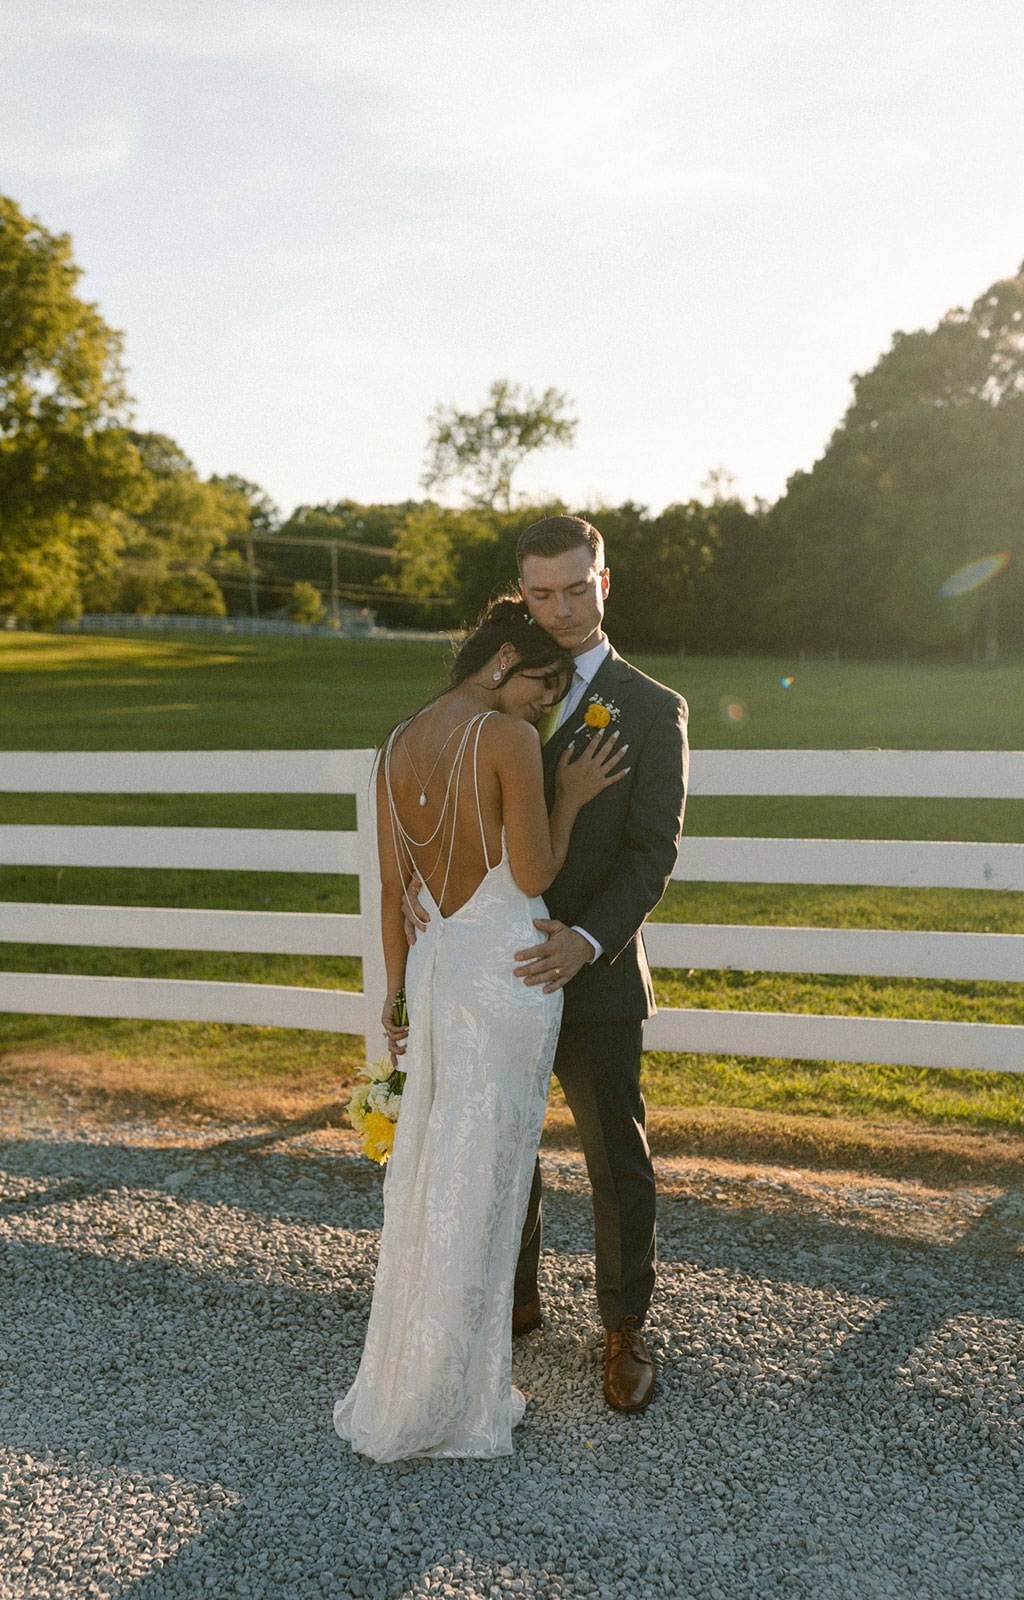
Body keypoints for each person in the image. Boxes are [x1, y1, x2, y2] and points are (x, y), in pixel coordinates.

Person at [333, 597, 628, 1462]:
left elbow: (394, 891)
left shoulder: (396, 743)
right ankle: (461, 1393)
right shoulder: (505, 742)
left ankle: (420, 1376)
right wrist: (569, 795)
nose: (546, 702)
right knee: (487, 1174)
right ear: (504, 659)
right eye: (543, 684)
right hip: (507, 971)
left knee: (434, 1169)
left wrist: (395, 999)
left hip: (435, 972)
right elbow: (533, 869)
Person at [406, 517, 688, 1413]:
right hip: (496, 965)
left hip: (595, 970)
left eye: (575, 589)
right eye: (540, 594)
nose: (559, 610)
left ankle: (623, 1330)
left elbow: (652, 852)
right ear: (519, 593)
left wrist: (589, 939)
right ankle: (513, 1300)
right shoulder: (498, 688)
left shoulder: (651, 707)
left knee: (614, 1153)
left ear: (604, 584)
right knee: (502, 1144)